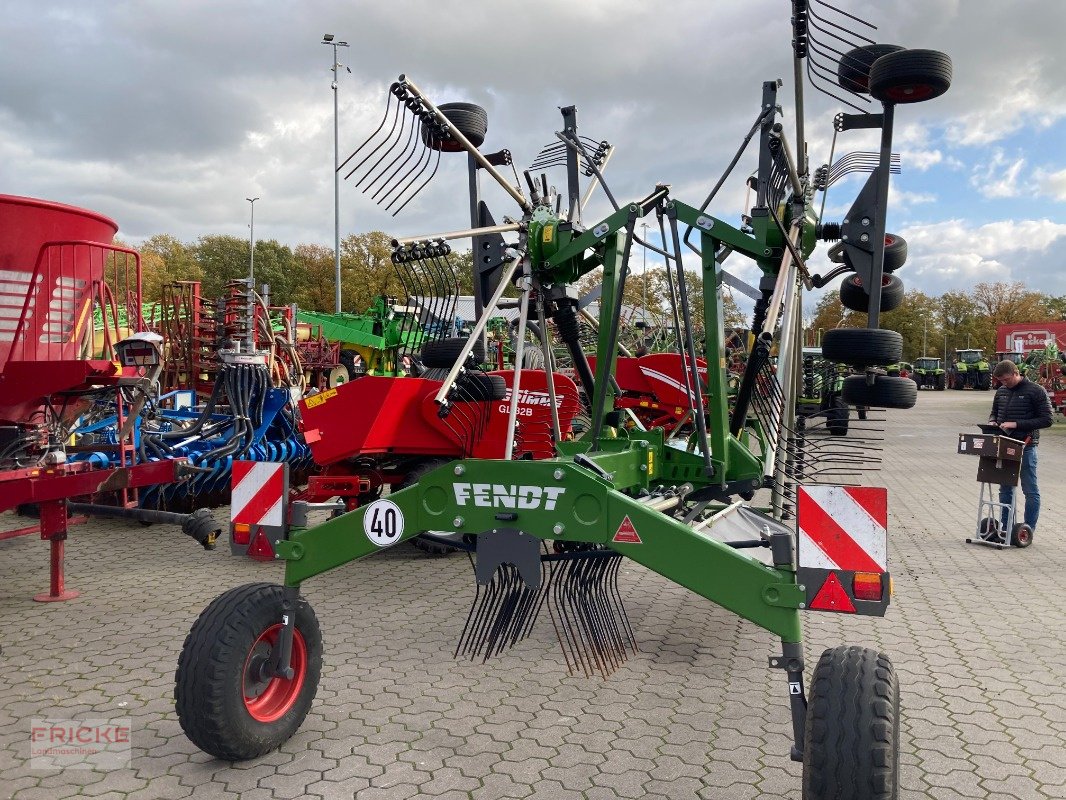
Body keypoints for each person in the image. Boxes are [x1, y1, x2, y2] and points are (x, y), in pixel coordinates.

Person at [988, 359, 1053, 533]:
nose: (1004, 383)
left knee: (1030, 489)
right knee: (1005, 488)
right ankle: (1006, 528)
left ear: (1016, 373)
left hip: (1026, 445)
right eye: (1000, 380)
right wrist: (992, 421)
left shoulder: (1036, 391)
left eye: (1006, 379)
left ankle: (1027, 530)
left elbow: (1047, 419)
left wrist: (1016, 424)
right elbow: (994, 412)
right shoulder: (1001, 391)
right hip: (1004, 444)